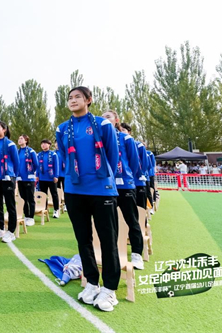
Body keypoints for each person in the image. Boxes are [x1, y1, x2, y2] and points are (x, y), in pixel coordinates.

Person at [56, 86, 120, 312]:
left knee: (108, 241)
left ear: (88, 100)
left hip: (102, 190)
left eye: (78, 97)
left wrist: (103, 178)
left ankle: (110, 289)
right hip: (74, 190)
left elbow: (112, 156)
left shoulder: (103, 125)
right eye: (70, 98)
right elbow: (64, 157)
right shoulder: (62, 129)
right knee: (83, 240)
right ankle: (92, 283)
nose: (73, 100)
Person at [102, 110, 144, 270]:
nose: (105, 119)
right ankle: (113, 254)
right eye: (103, 117)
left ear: (116, 120)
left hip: (125, 185)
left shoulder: (126, 138)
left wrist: (127, 178)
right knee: (110, 223)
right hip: (106, 187)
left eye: (108, 117)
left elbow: (134, 163)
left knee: (131, 220)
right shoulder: (100, 140)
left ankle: (136, 254)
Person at [0, 121, 19, 244]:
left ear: (4, 130)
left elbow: (16, 162)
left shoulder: (11, 144)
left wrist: (14, 177)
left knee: (10, 204)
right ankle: (0, 228)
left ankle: (11, 231)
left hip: (8, 177)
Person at [120, 124, 148, 209]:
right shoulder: (115, 142)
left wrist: (138, 174)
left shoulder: (138, 145)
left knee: (140, 207)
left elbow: (144, 163)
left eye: (124, 130)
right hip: (122, 182)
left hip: (136, 180)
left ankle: (145, 221)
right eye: (120, 130)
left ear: (129, 132)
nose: (121, 132)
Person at [16, 135, 39, 226]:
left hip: (29, 178)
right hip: (20, 178)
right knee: (23, 198)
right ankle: (26, 216)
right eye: (19, 139)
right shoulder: (17, 152)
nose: (19, 140)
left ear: (26, 141)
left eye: (21, 138)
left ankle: (31, 217)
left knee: (30, 199)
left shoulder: (31, 151)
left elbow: (36, 164)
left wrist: (31, 173)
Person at [37, 139, 60, 218]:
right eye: (42, 144)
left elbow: (56, 166)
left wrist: (56, 176)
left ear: (49, 145)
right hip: (42, 178)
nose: (43, 145)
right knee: (43, 195)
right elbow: (37, 166)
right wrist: (37, 175)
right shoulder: (39, 155)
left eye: (45, 144)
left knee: (54, 194)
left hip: (51, 177)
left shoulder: (53, 154)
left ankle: (56, 210)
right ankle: (44, 209)